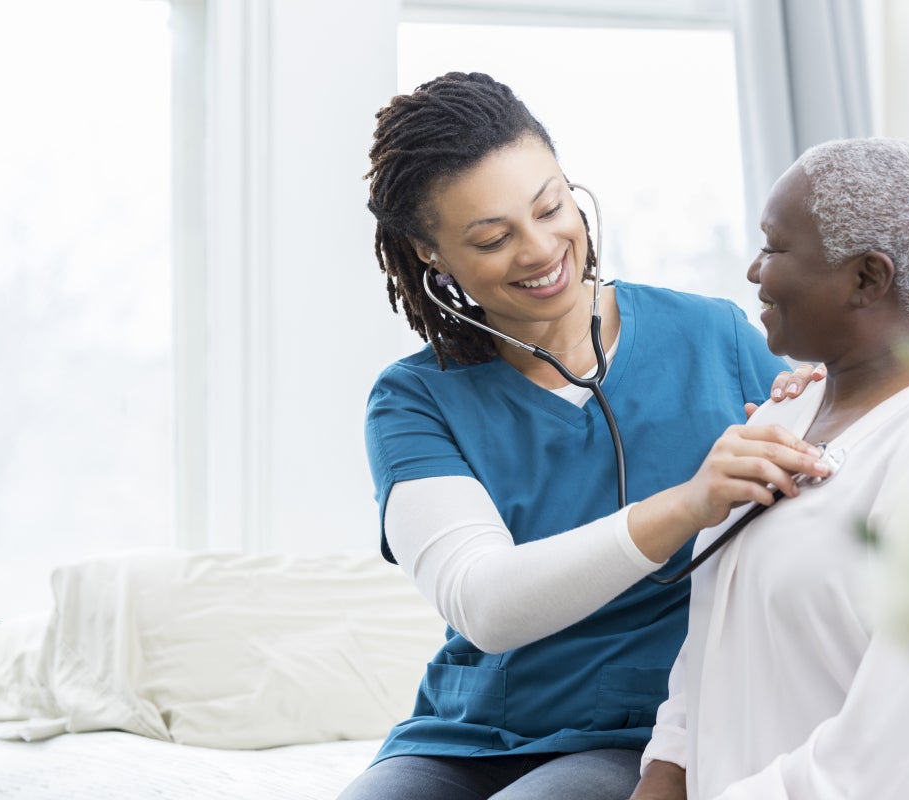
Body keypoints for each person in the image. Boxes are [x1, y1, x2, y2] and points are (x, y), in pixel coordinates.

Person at [338, 71, 827, 800]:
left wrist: (818, 406)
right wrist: (688, 504)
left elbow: (832, 495)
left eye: (550, 206)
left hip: (639, 733)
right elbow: (487, 605)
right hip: (465, 738)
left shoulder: (713, 337)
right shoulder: (414, 400)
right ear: (432, 257)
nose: (538, 250)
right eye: (493, 237)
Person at [629, 137, 909, 799]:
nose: (753, 270)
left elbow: (890, 760)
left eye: (774, 247)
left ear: (867, 277)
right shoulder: (775, 420)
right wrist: (665, 773)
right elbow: (715, 640)